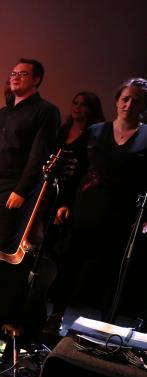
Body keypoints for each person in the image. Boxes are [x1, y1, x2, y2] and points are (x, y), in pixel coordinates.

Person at [47, 79, 147, 323]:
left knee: (110, 272)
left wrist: (144, 218)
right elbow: (77, 170)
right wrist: (65, 202)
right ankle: (55, 317)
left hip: (121, 212)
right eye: (125, 98)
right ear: (116, 101)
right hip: (86, 206)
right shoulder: (96, 131)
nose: (129, 104)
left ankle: (105, 327)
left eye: (136, 100)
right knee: (70, 263)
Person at [0, 58, 60, 263]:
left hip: (12, 185)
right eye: (13, 73)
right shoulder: (4, 111)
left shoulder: (45, 111)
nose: (15, 77)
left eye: (22, 74)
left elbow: (38, 155)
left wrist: (21, 190)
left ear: (36, 80)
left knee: (4, 243)